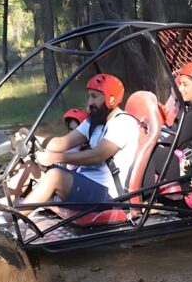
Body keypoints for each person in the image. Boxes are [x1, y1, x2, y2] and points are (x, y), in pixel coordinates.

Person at [19, 73, 140, 213]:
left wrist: (55, 157)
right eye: (89, 96)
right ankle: (11, 214)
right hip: (85, 183)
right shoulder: (94, 122)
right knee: (33, 165)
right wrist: (31, 138)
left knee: (55, 176)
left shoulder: (123, 123)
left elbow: (98, 155)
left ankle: (14, 221)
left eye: (94, 97)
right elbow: (62, 142)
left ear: (111, 99)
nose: (89, 103)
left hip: (107, 195)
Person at [143, 61, 192, 187]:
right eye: (180, 84)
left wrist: (145, 136)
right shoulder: (188, 108)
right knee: (148, 147)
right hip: (184, 160)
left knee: (148, 152)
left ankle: (141, 200)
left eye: (185, 85)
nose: (180, 89)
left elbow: (172, 141)